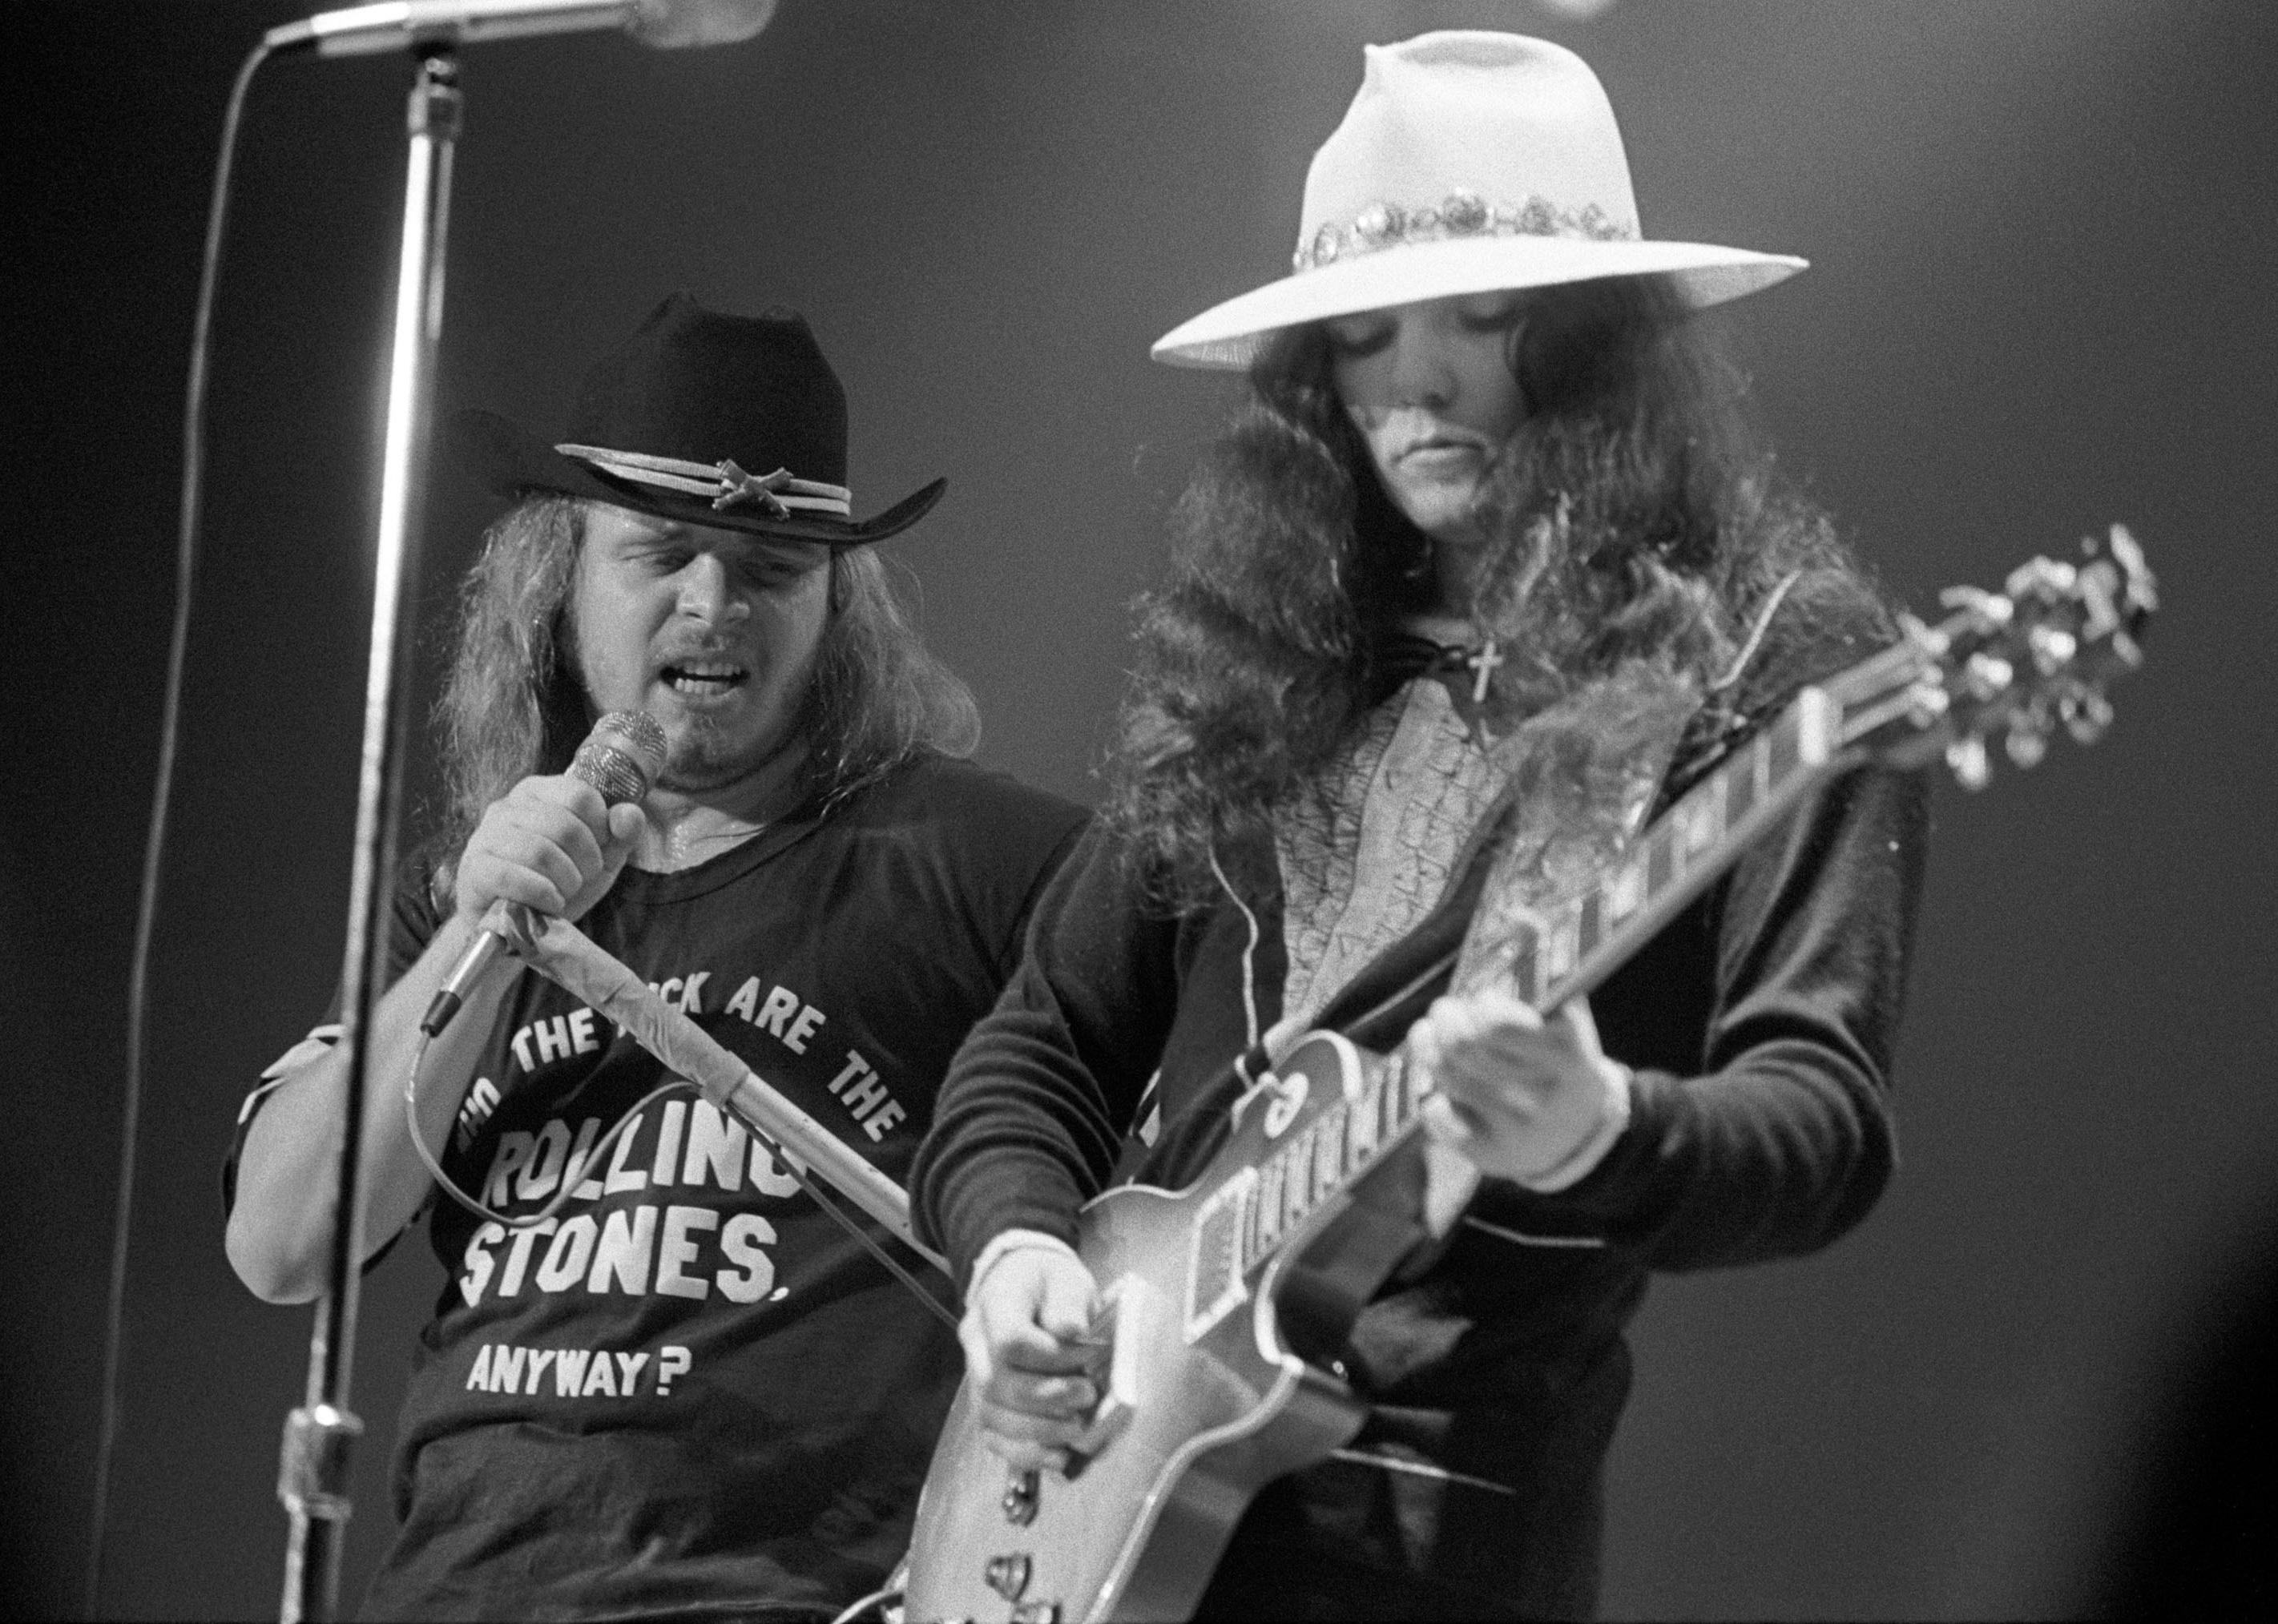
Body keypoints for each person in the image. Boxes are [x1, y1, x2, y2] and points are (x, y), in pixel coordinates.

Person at [913, 32, 1926, 1621]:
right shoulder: (1259, 658)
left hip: (1444, 1537)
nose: (1415, 383)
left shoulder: (1778, 669)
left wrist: (1602, 1129)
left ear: (1599, 339)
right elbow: (1040, 1043)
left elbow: (1819, 1120)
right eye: (1365, 333)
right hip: (1102, 1501)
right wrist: (1018, 1257)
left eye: (1485, 315)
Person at [224, 294, 1087, 1622]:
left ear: (836, 604)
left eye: (770, 569)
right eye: (665, 553)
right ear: (556, 573)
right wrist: (485, 921)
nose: (713, 603)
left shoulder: (982, 860)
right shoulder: (463, 898)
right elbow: (282, 1245)